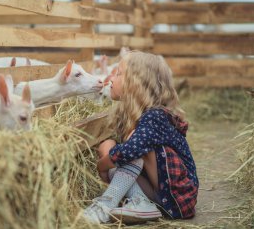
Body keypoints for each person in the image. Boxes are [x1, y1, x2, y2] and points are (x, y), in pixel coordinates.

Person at [83, 51, 199, 224]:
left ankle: (105, 205)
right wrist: (107, 157)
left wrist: (101, 166)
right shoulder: (137, 117)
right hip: (159, 192)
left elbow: (129, 152)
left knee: (129, 148)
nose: (112, 79)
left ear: (136, 84)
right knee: (107, 145)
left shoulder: (155, 116)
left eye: (119, 73)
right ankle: (140, 202)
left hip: (178, 199)